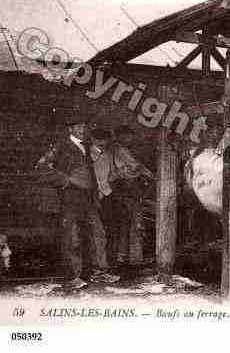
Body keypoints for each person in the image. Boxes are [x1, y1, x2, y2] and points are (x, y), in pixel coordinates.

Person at [35, 117, 120, 289]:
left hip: (88, 198)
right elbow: (41, 167)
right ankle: (72, 277)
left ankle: (99, 272)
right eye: (78, 125)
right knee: (72, 237)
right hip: (70, 198)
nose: (82, 128)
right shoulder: (61, 146)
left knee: (98, 234)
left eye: (84, 125)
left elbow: (90, 175)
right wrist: (66, 180)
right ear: (70, 129)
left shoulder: (86, 147)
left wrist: (95, 195)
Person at [90, 126, 153, 266]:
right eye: (128, 136)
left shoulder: (109, 152)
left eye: (104, 141)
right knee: (108, 227)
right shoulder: (117, 150)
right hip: (103, 193)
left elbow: (115, 172)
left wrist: (117, 175)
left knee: (116, 225)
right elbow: (134, 166)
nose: (131, 139)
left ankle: (116, 258)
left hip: (109, 193)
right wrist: (147, 174)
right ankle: (114, 259)